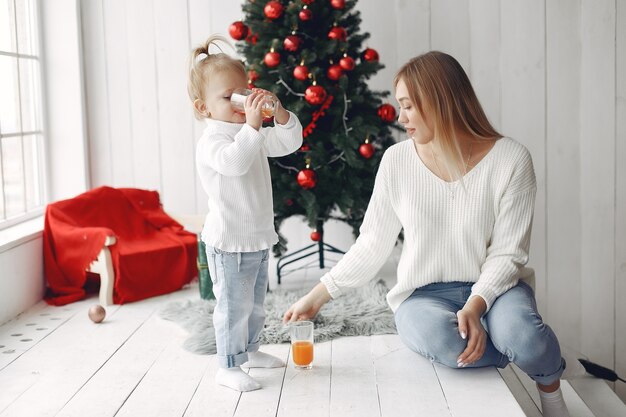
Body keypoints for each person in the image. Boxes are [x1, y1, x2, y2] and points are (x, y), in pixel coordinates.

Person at [283, 51, 574, 417]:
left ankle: (550, 392)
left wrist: (476, 303)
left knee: (525, 338)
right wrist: (317, 296)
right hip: (423, 295)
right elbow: (373, 241)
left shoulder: (511, 159)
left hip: (496, 289)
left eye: (407, 106)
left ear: (439, 102)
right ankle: (505, 347)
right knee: (444, 340)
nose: (401, 117)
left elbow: (508, 254)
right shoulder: (396, 161)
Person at [189, 35, 303, 392]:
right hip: (229, 240)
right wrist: (253, 126)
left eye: (244, 92)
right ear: (203, 108)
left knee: (255, 305)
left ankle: (250, 351)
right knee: (233, 307)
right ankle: (228, 364)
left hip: (255, 237)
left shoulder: (248, 131)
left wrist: (279, 114)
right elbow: (235, 163)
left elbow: (290, 142)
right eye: (228, 97)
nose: (240, 101)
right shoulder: (215, 141)